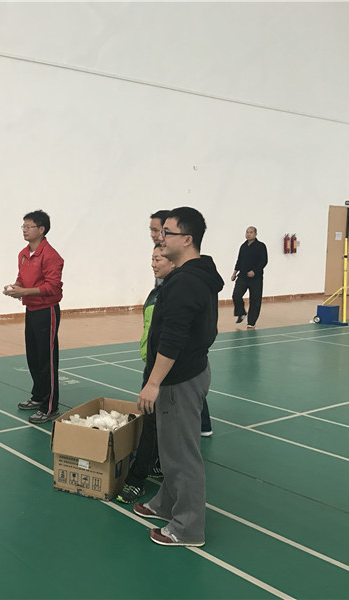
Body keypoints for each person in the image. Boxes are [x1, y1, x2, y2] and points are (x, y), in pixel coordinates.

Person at [134, 207, 223, 547]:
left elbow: (173, 339)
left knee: (183, 455)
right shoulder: (192, 274)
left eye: (167, 232)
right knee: (171, 449)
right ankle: (167, 503)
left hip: (179, 379)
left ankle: (187, 528)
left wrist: (153, 383)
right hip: (187, 372)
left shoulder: (186, 282)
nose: (160, 237)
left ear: (187, 240)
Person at [117, 244, 213, 504]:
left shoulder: (180, 291)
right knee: (159, 429)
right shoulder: (159, 291)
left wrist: (155, 380)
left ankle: (138, 481)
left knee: (159, 431)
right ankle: (159, 476)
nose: (153, 263)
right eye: (151, 258)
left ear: (174, 261)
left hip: (169, 374)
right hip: (155, 368)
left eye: (158, 258)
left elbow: (175, 338)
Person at [3, 210, 64, 424]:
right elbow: (22, 277)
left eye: (29, 227)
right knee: (34, 357)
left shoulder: (52, 256)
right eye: (23, 226)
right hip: (31, 309)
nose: (25, 230)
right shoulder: (23, 254)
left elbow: (52, 287)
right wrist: (15, 287)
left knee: (47, 360)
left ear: (41, 229)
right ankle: (38, 396)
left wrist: (24, 292)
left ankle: (50, 407)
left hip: (47, 311)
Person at [231, 226, 268, 329]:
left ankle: (251, 322)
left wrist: (254, 271)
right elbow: (239, 260)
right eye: (247, 232)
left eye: (251, 232)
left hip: (256, 278)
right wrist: (234, 273)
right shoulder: (243, 246)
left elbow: (264, 261)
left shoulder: (261, 246)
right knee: (236, 295)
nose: (248, 234)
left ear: (255, 234)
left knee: (255, 300)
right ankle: (241, 312)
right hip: (242, 276)